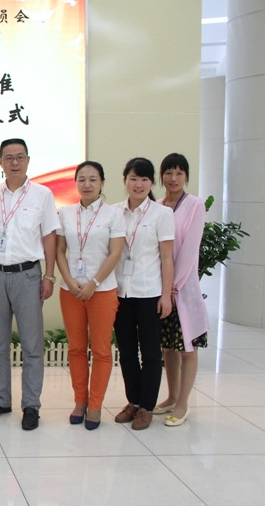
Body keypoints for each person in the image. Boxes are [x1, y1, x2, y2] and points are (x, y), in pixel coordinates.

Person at [0, 138, 60, 430]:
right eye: (8, 158)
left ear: (27, 160)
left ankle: (31, 405)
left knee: (31, 345)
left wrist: (49, 275)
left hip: (28, 276)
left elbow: (49, 236)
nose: (14, 162)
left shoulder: (43, 194)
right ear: (0, 162)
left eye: (19, 157)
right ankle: (1, 399)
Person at [55, 161, 125, 430]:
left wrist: (94, 283)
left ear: (102, 183)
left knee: (101, 350)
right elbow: (60, 251)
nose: (87, 184)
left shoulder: (113, 214)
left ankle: (95, 405)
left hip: (102, 291)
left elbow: (115, 253)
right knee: (75, 348)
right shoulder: (66, 213)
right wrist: (69, 280)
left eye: (93, 179)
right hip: (71, 290)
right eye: (82, 179)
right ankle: (80, 401)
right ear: (76, 183)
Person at [112, 157, 175, 430]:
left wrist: (166, 295)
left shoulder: (162, 214)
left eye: (144, 179)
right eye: (133, 178)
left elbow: (167, 257)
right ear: (124, 180)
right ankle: (134, 401)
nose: (138, 184)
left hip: (149, 292)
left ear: (152, 183)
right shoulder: (113, 212)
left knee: (150, 353)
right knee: (126, 352)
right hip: (119, 293)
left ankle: (147, 407)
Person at [154, 153, 208, 427]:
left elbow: (189, 250)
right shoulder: (158, 206)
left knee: (187, 347)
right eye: (168, 173)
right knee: (168, 346)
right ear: (161, 176)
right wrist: (164, 288)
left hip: (183, 289)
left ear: (186, 176)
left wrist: (174, 286)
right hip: (162, 288)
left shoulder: (195, 205)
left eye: (179, 173)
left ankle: (183, 403)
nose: (173, 178)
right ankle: (171, 396)